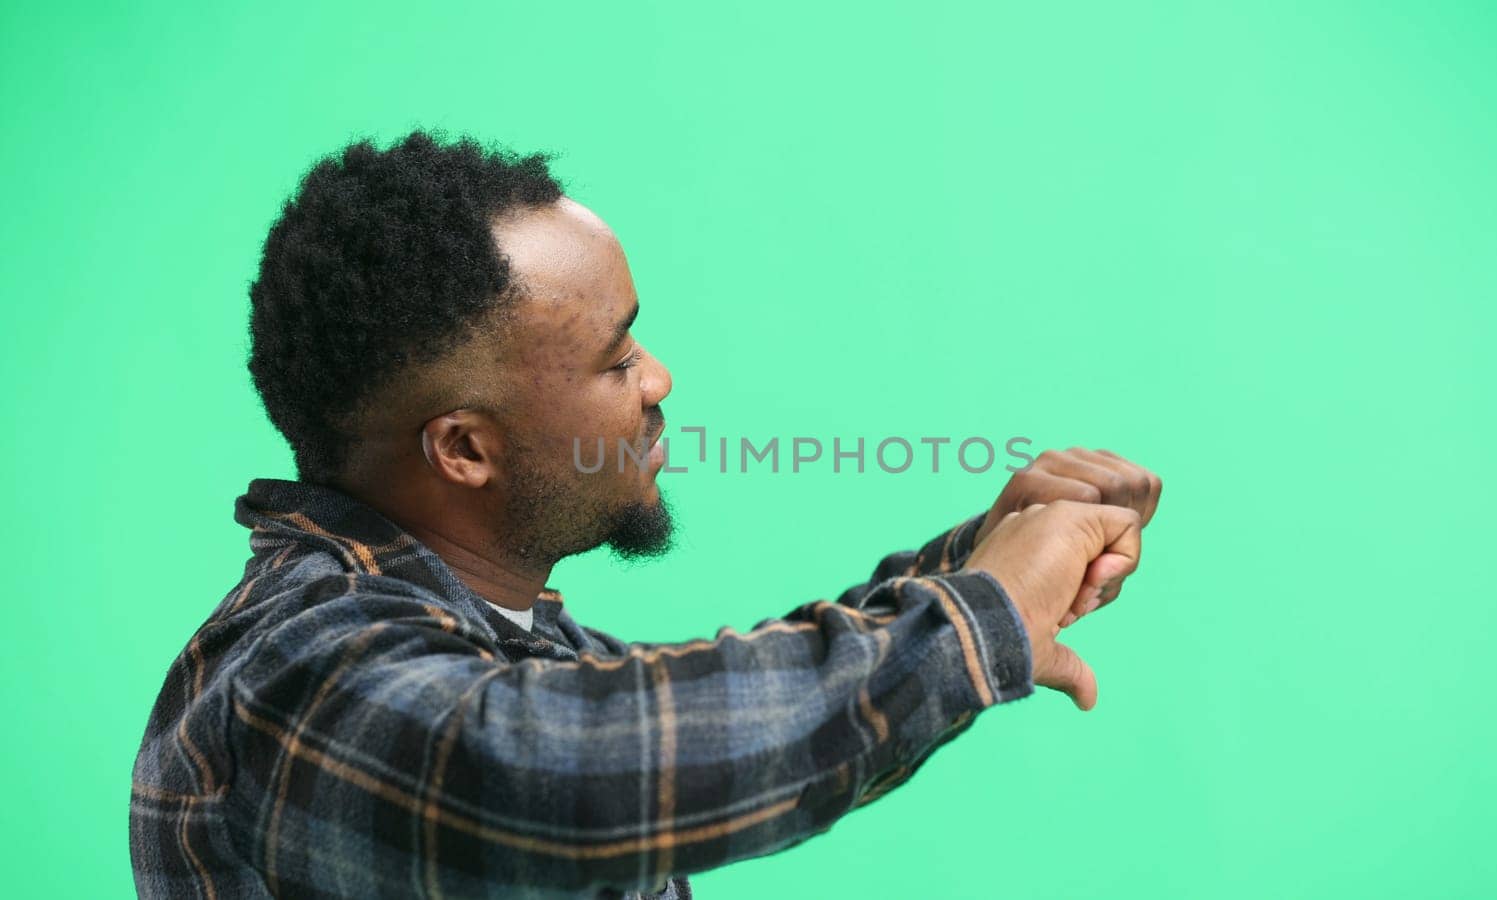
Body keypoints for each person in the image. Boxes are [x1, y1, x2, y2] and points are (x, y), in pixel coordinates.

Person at [129, 131, 1162, 899]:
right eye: (614, 357)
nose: (658, 378)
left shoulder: (490, 642)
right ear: (465, 449)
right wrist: (977, 618)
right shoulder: (295, 677)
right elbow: (582, 767)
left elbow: (715, 727)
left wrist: (984, 564)